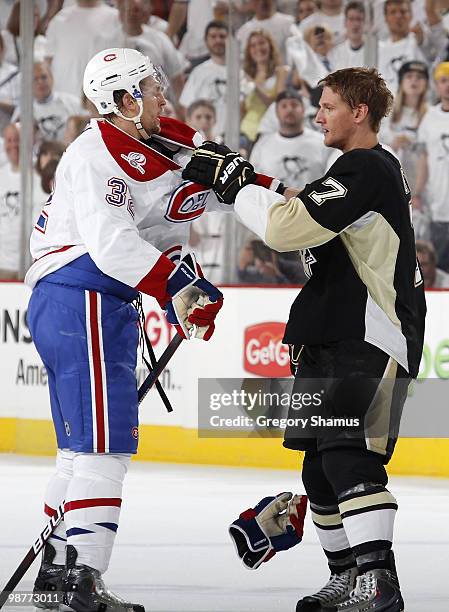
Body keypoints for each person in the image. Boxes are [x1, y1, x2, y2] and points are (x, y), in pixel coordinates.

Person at [27, 46, 284, 612]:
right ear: (120, 101)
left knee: (77, 451)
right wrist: (179, 288)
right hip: (80, 295)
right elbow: (114, 246)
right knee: (105, 446)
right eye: (148, 87)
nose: (162, 93)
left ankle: (58, 573)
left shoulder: (166, 136)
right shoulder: (95, 154)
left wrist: (273, 194)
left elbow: (195, 206)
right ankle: (82, 578)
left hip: (92, 301)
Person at [183, 66, 426, 611]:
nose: (318, 115)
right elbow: (300, 209)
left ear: (359, 113)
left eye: (328, 106)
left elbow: (284, 228)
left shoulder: (366, 167)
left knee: (348, 458)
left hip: (370, 336)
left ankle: (378, 582)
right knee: (318, 468)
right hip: (334, 337)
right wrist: (242, 183)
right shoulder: (353, 171)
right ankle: (346, 578)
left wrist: (236, 184)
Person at [250, 89, 329, 188]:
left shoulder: (322, 142)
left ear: (303, 110)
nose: (289, 110)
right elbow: (254, 182)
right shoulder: (262, 145)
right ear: (276, 112)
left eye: (294, 105)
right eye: (284, 106)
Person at [414, 62, 449, 272]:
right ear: (436, 85)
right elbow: (424, 158)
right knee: (441, 267)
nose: (447, 86)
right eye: (443, 81)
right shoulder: (430, 117)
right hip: (439, 205)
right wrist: (417, 192)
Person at [179, 20, 229, 138]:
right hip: (205, 139)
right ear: (206, 41)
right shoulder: (198, 72)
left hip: (234, 136)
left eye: (222, 36)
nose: (218, 40)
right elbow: (187, 108)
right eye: (213, 36)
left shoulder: (241, 71)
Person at [11, 60, 82, 141]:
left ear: (52, 78)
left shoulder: (72, 102)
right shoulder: (23, 110)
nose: (40, 82)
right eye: (35, 79)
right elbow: (13, 137)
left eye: (44, 77)